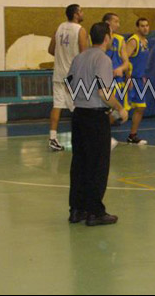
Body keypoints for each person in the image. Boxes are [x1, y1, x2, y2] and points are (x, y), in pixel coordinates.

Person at [67, 22, 128, 226]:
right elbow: (104, 92)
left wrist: (82, 98)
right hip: (95, 118)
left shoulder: (79, 57)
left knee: (79, 164)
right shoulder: (103, 59)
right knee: (98, 165)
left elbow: (69, 84)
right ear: (107, 38)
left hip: (79, 116)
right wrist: (119, 108)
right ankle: (95, 212)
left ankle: (77, 209)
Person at [47, 4, 88, 151]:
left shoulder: (59, 28)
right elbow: (84, 55)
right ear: (76, 14)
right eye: (81, 11)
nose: (83, 13)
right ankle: (83, 138)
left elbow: (51, 50)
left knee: (57, 106)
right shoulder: (80, 30)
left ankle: (52, 138)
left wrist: (62, 56)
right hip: (73, 76)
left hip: (58, 74)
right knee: (81, 107)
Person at [102, 13, 131, 150]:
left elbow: (126, 62)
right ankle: (103, 136)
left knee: (119, 113)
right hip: (103, 81)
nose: (118, 25)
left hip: (117, 82)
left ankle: (102, 134)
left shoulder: (120, 40)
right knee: (105, 110)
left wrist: (121, 69)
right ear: (108, 23)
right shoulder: (97, 39)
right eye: (116, 21)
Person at [124, 17, 150, 145]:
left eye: (147, 25)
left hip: (139, 79)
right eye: (142, 26)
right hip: (130, 80)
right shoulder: (133, 41)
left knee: (141, 107)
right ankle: (100, 134)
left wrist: (142, 75)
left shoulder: (145, 41)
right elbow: (124, 59)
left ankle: (132, 135)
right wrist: (128, 78)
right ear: (137, 27)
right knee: (121, 110)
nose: (145, 28)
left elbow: (140, 61)